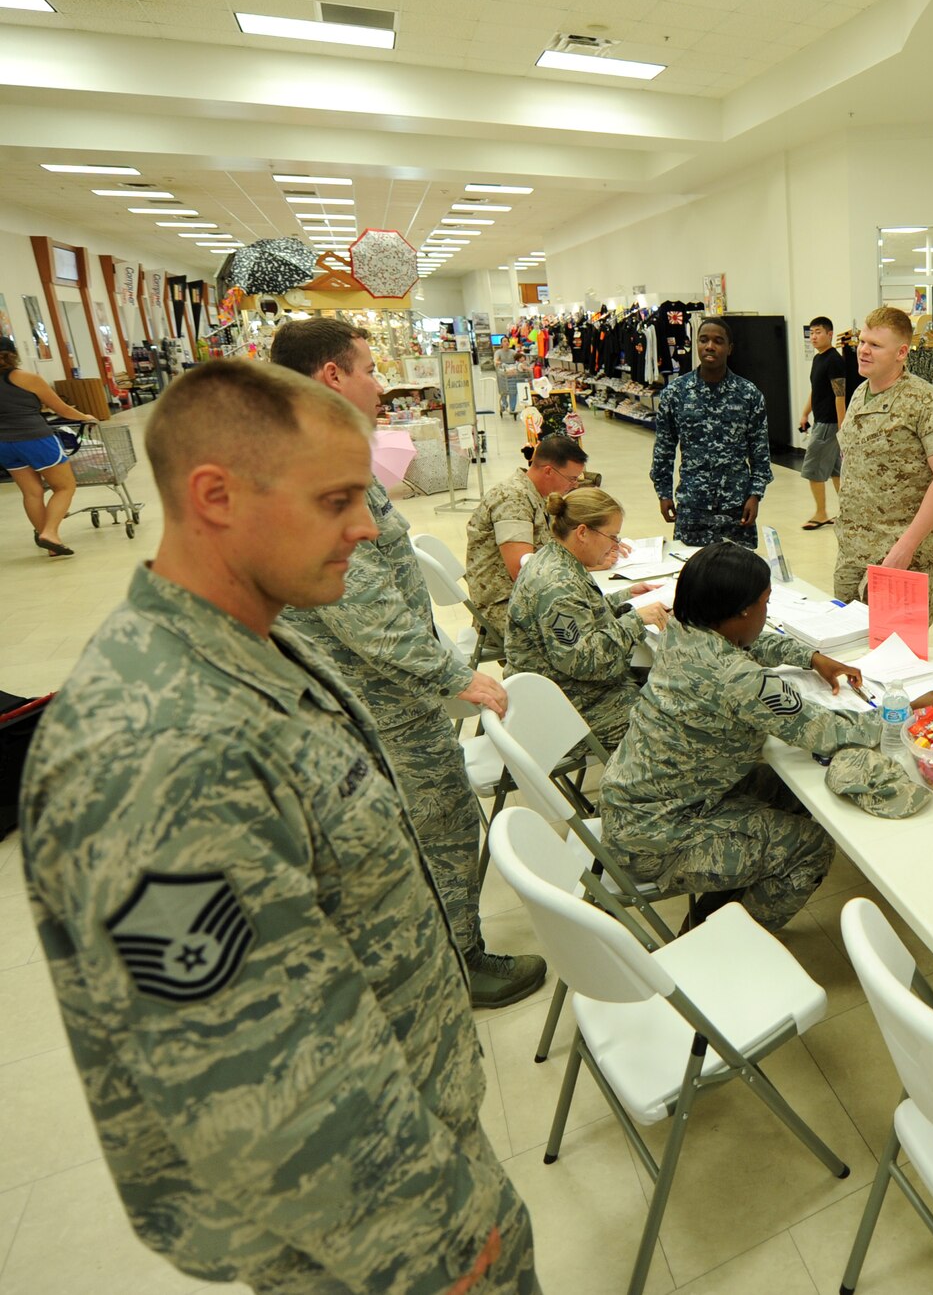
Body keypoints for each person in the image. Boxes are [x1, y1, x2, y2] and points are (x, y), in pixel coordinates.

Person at [17, 359, 540, 1294]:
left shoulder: (254, 637)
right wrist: (454, 1245)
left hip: (411, 1141)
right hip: (376, 1237)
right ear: (215, 495)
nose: (367, 526)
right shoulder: (159, 751)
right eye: (337, 499)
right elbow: (267, 1098)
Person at [269, 317, 546, 1010]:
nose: (380, 381)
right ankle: (458, 966)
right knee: (442, 822)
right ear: (331, 375)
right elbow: (362, 608)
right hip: (374, 698)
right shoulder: (317, 470)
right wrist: (455, 674)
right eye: (367, 367)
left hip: (357, 691)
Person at [600, 543, 933, 929]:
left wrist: (811, 657)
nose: (766, 613)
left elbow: (752, 641)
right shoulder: (741, 679)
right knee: (811, 848)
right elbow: (830, 731)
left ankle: (719, 905)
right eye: (766, 603)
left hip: (637, 801)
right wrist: (907, 710)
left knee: (794, 797)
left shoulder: (680, 629)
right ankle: (727, 942)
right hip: (657, 838)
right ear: (744, 610)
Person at [506, 487, 667, 750]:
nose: (616, 545)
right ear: (582, 532)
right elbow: (582, 661)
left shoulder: (555, 558)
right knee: (672, 724)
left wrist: (625, 597)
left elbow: (581, 616)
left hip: (566, 690)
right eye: (612, 537)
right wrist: (636, 620)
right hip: (568, 704)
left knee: (667, 681)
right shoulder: (556, 584)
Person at [834, 305, 933, 613]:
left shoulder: (928, 403)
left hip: (900, 554)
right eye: (862, 342)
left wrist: (904, 548)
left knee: (897, 652)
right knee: (847, 649)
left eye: (875, 345)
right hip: (852, 550)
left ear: (902, 352)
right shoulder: (859, 393)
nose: (863, 351)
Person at [652, 317, 770, 549]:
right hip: (693, 505)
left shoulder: (748, 394)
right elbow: (664, 449)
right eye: (703, 340)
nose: (710, 346)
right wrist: (663, 492)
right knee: (692, 572)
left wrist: (755, 494)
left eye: (718, 341)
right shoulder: (675, 393)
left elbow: (760, 453)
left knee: (737, 574)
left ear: (729, 348)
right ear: (696, 344)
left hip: (736, 505)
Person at [465, 433, 590, 650]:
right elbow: (521, 571)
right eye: (571, 478)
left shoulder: (534, 494)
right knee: (587, 631)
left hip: (523, 600)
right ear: (549, 471)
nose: (574, 485)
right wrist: (584, 566)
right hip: (505, 609)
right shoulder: (512, 498)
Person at [0, 335, 96, 556]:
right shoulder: (25, 378)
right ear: (13, 354)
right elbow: (61, 409)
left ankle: (50, 543)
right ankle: (50, 533)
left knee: (32, 492)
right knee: (64, 487)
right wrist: (86, 417)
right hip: (34, 439)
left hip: (3, 444)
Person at [798, 315, 846, 530]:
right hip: (822, 420)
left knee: (813, 467)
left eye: (819, 332)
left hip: (829, 424)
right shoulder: (819, 359)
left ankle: (820, 513)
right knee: (837, 471)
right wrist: (805, 413)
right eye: (812, 332)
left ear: (830, 334)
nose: (814, 336)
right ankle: (848, 512)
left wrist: (842, 426)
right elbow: (816, 389)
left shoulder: (834, 360)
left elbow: (840, 395)